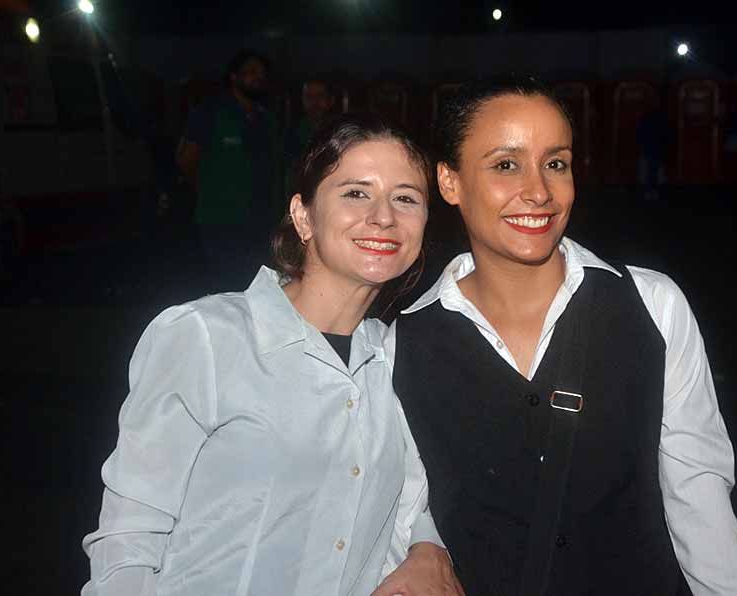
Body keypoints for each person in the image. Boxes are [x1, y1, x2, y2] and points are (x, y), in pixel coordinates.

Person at [386, 76, 737, 596]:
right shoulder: (403, 345)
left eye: (556, 163)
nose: (539, 191)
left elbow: (697, 485)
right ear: (449, 182)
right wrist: (423, 546)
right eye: (506, 165)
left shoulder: (652, 305)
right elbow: (407, 502)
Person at [82, 114, 463, 596]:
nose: (384, 216)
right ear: (303, 216)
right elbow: (129, 536)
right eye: (355, 193)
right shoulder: (207, 338)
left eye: (405, 198)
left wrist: (429, 548)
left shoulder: (396, 358)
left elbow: (414, 498)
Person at [176, 49, 283, 293]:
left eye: (262, 73)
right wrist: (210, 190)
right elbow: (186, 159)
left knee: (258, 285)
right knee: (227, 286)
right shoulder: (210, 112)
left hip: (260, 219)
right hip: (221, 220)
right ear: (234, 77)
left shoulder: (265, 118)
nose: (258, 77)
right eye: (251, 72)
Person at [287, 79, 338, 164]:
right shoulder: (293, 132)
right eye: (309, 97)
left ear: (331, 100)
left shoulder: (340, 130)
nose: (315, 102)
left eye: (320, 96)